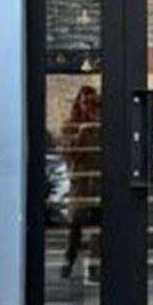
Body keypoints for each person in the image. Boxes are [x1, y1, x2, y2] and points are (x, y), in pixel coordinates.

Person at [60, 84, 101, 279]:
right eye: (86, 102)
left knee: (99, 227)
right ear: (79, 103)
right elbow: (69, 154)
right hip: (81, 184)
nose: (90, 107)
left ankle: (94, 267)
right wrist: (81, 134)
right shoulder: (70, 125)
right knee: (75, 226)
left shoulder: (102, 125)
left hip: (100, 182)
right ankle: (68, 261)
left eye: (94, 103)